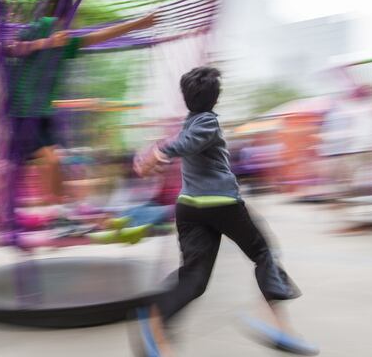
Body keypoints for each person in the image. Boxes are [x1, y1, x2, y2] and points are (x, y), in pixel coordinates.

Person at [133, 67, 319, 356]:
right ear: (215, 98)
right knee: (264, 255)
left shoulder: (189, 122)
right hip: (221, 204)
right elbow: (188, 143)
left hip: (189, 209)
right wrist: (161, 152)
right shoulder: (206, 121)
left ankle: (155, 319)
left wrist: (158, 155)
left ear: (186, 98)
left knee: (194, 279)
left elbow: (185, 144)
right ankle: (278, 327)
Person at [4, 0, 156, 205]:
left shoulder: (65, 41)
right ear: (62, 15)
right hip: (23, 111)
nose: (74, 22)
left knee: (56, 162)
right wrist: (46, 43)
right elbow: (10, 49)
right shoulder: (35, 29)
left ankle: (60, 208)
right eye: (72, 16)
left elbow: (97, 37)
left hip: (42, 113)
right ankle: (52, 208)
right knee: (47, 161)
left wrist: (138, 24)